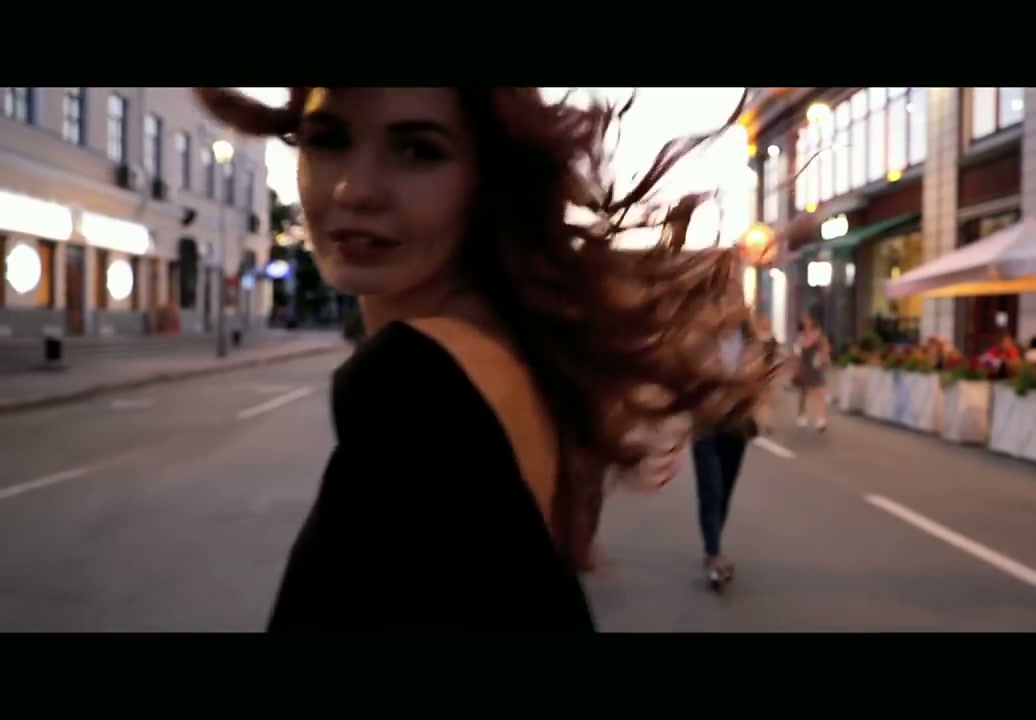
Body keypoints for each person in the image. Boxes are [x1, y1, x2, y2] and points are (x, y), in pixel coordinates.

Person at [194, 87, 774, 632]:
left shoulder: (414, 382)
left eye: (418, 151)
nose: (354, 190)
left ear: (490, 178)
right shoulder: (513, 356)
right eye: (328, 140)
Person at [691, 317, 760, 590]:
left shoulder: (750, 340)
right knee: (711, 488)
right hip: (705, 420)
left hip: (736, 422)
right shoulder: (700, 335)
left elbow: (758, 379)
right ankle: (714, 553)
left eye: (734, 299)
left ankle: (713, 543)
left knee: (725, 490)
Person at [794, 312, 831, 430]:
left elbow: (825, 349)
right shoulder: (800, 336)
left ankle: (820, 419)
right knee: (804, 392)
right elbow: (797, 353)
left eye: (808, 318)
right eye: (804, 319)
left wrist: (826, 360)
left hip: (816, 366)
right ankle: (802, 415)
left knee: (819, 392)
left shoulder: (819, 334)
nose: (806, 320)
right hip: (804, 366)